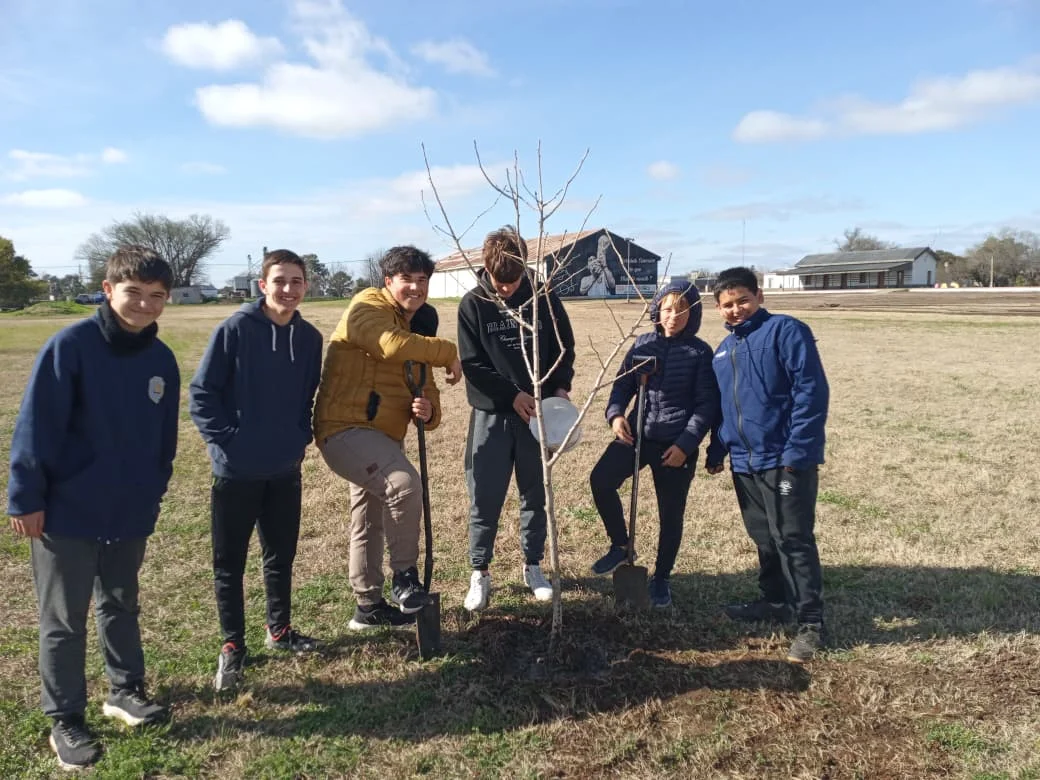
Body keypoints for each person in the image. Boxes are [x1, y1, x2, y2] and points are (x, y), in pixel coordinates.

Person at [7, 246, 179, 771]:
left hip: (127, 511)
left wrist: (152, 490)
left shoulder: (161, 360)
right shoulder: (71, 346)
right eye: (134, 293)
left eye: (157, 297)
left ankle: (124, 690)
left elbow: (163, 439)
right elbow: (36, 427)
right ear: (108, 290)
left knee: (121, 603)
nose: (145, 305)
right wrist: (26, 497)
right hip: (66, 513)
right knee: (64, 619)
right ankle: (65, 718)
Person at [189, 249, 324, 691]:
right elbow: (203, 393)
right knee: (229, 562)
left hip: (284, 467)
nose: (288, 289)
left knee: (279, 556)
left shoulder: (309, 339)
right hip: (236, 471)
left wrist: (299, 435)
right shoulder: (236, 329)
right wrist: (229, 440)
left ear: (306, 286)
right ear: (262, 285)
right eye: (279, 280)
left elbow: (307, 395)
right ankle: (232, 645)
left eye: (296, 281)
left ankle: (279, 630)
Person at [314, 246, 462, 630]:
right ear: (388, 281)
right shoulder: (367, 306)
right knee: (402, 484)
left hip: (383, 440)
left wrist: (429, 412)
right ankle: (405, 578)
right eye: (407, 279)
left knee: (368, 519)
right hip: (344, 428)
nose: (415, 287)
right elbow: (390, 344)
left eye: (422, 280)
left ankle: (368, 606)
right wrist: (448, 351)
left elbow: (429, 397)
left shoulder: (418, 334)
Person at [705, 266, 830, 663]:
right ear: (719, 309)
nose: (736, 309)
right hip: (744, 462)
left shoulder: (786, 332)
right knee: (764, 537)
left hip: (784, 460)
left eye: (742, 300)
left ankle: (810, 622)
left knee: (792, 537)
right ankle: (775, 601)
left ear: (758, 296)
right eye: (727, 304)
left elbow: (811, 392)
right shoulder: (724, 352)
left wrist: (797, 453)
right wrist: (717, 448)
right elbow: (727, 408)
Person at [457, 226, 576, 612]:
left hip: (537, 416)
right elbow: (473, 364)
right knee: (484, 497)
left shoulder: (543, 298)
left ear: (525, 268)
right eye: (499, 281)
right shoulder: (473, 304)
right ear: (485, 270)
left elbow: (563, 347)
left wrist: (558, 387)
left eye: (514, 280)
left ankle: (533, 566)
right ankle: (480, 572)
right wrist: (512, 395)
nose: (506, 288)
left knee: (534, 494)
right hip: (492, 417)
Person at [589, 280, 719, 607]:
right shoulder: (642, 344)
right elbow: (621, 387)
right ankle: (621, 544)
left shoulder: (699, 352)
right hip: (637, 434)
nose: (674, 316)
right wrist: (616, 415)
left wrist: (686, 445)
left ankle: (661, 577)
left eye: (683, 309)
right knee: (601, 480)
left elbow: (707, 405)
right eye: (668, 308)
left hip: (676, 444)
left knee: (670, 514)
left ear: (694, 312)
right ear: (657, 311)